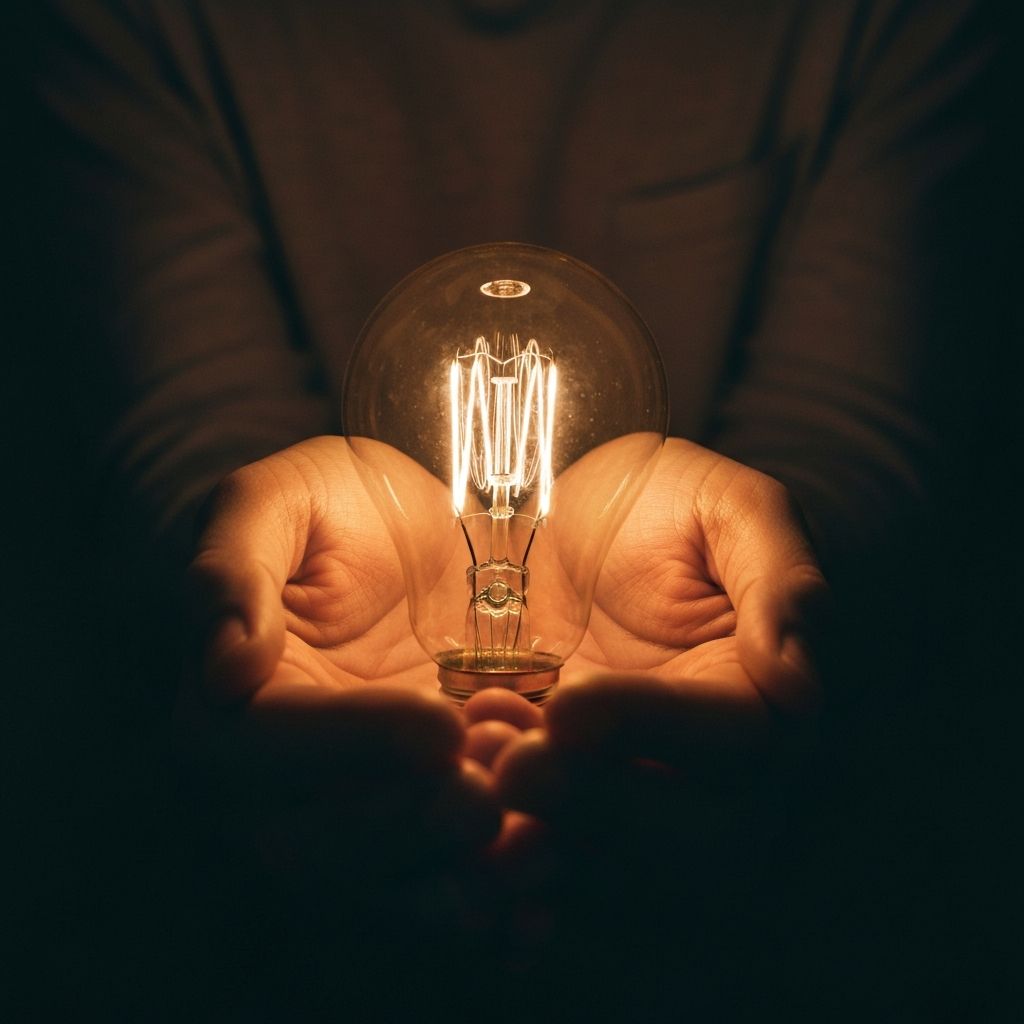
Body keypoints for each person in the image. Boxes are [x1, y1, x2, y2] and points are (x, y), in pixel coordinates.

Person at [14, 0, 1009, 1017]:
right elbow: (182, 415)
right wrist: (241, 579)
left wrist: (769, 581)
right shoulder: (129, 21)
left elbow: (859, 423)